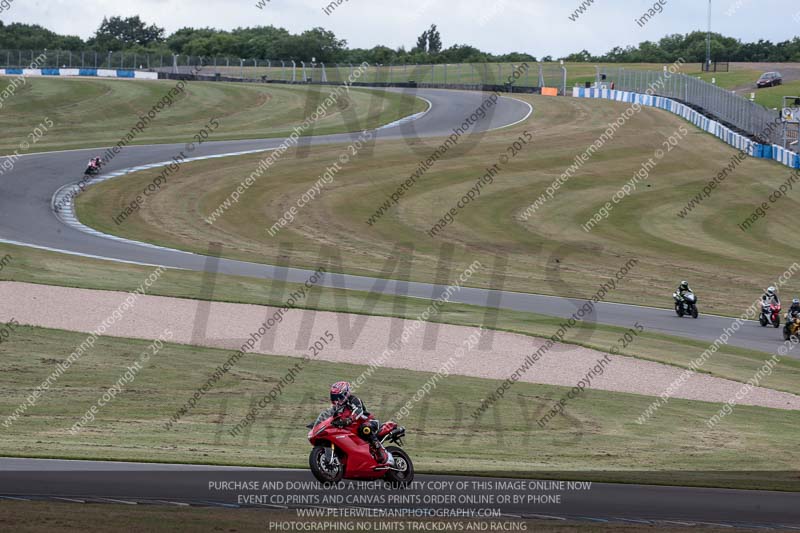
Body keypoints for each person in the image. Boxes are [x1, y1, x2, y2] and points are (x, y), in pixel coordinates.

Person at [327, 381, 393, 466]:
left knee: (365, 428)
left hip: (368, 422)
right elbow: (329, 418)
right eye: (334, 397)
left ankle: (379, 450)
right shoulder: (336, 408)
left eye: (339, 397)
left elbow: (359, 411)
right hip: (352, 429)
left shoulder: (353, 400)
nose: (337, 400)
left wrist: (350, 419)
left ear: (345, 393)